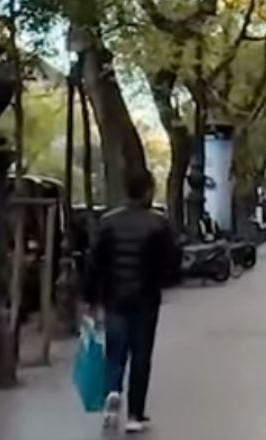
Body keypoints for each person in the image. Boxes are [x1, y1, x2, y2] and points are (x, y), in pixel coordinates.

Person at [85, 167, 183, 435]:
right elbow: (173, 261)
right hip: (146, 298)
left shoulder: (108, 222)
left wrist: (90, 298)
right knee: (142, 355)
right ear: (149, 191)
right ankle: (135, 414)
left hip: (114, 297)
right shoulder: (159, 223)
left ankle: (112, 393)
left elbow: (94, 262)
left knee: (115, 353)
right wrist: (164, 280)